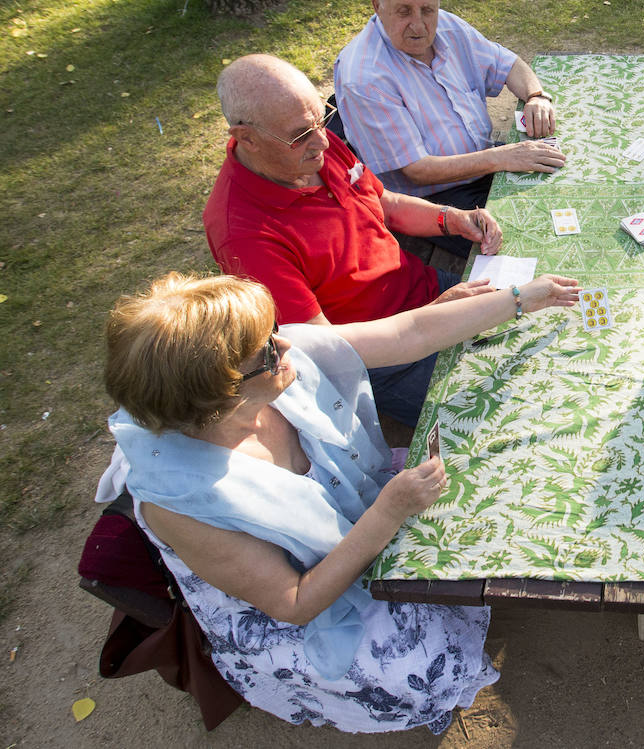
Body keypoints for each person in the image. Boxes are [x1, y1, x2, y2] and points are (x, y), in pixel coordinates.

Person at [96, 270, 579, 732]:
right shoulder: (180, 502)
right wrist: (387, 513)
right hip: (300, 595)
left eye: (272, 331)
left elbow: (408, 332)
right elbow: (295, 601)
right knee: (415, 663)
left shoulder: (267, 361)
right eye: (264, 350)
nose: (287, 345)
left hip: (352, 517)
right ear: (216, 398)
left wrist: (521, 299)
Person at [204, 54, 502, 429]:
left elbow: (384, 203)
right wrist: (433, 314)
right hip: (384, 359)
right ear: (247, 138)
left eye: (321, 121)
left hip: (426, 291)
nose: (322, 142)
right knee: (499, 411)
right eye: (300, 135)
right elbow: (323, 347)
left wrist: (451, 219)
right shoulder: (243, 234)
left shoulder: (312, 148)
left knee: (544, 328)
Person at [333, 0, 565, 257]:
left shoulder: (448, 27)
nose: (419, 25)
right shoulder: (363, 78)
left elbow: (507, 64)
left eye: (427, 10)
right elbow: (416, 170)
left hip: (486, 166)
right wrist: (501, 158)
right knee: (535, 242)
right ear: (377, 6)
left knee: (567, 186)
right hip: (437, 201)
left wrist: (536, 95)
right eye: (404, 11)